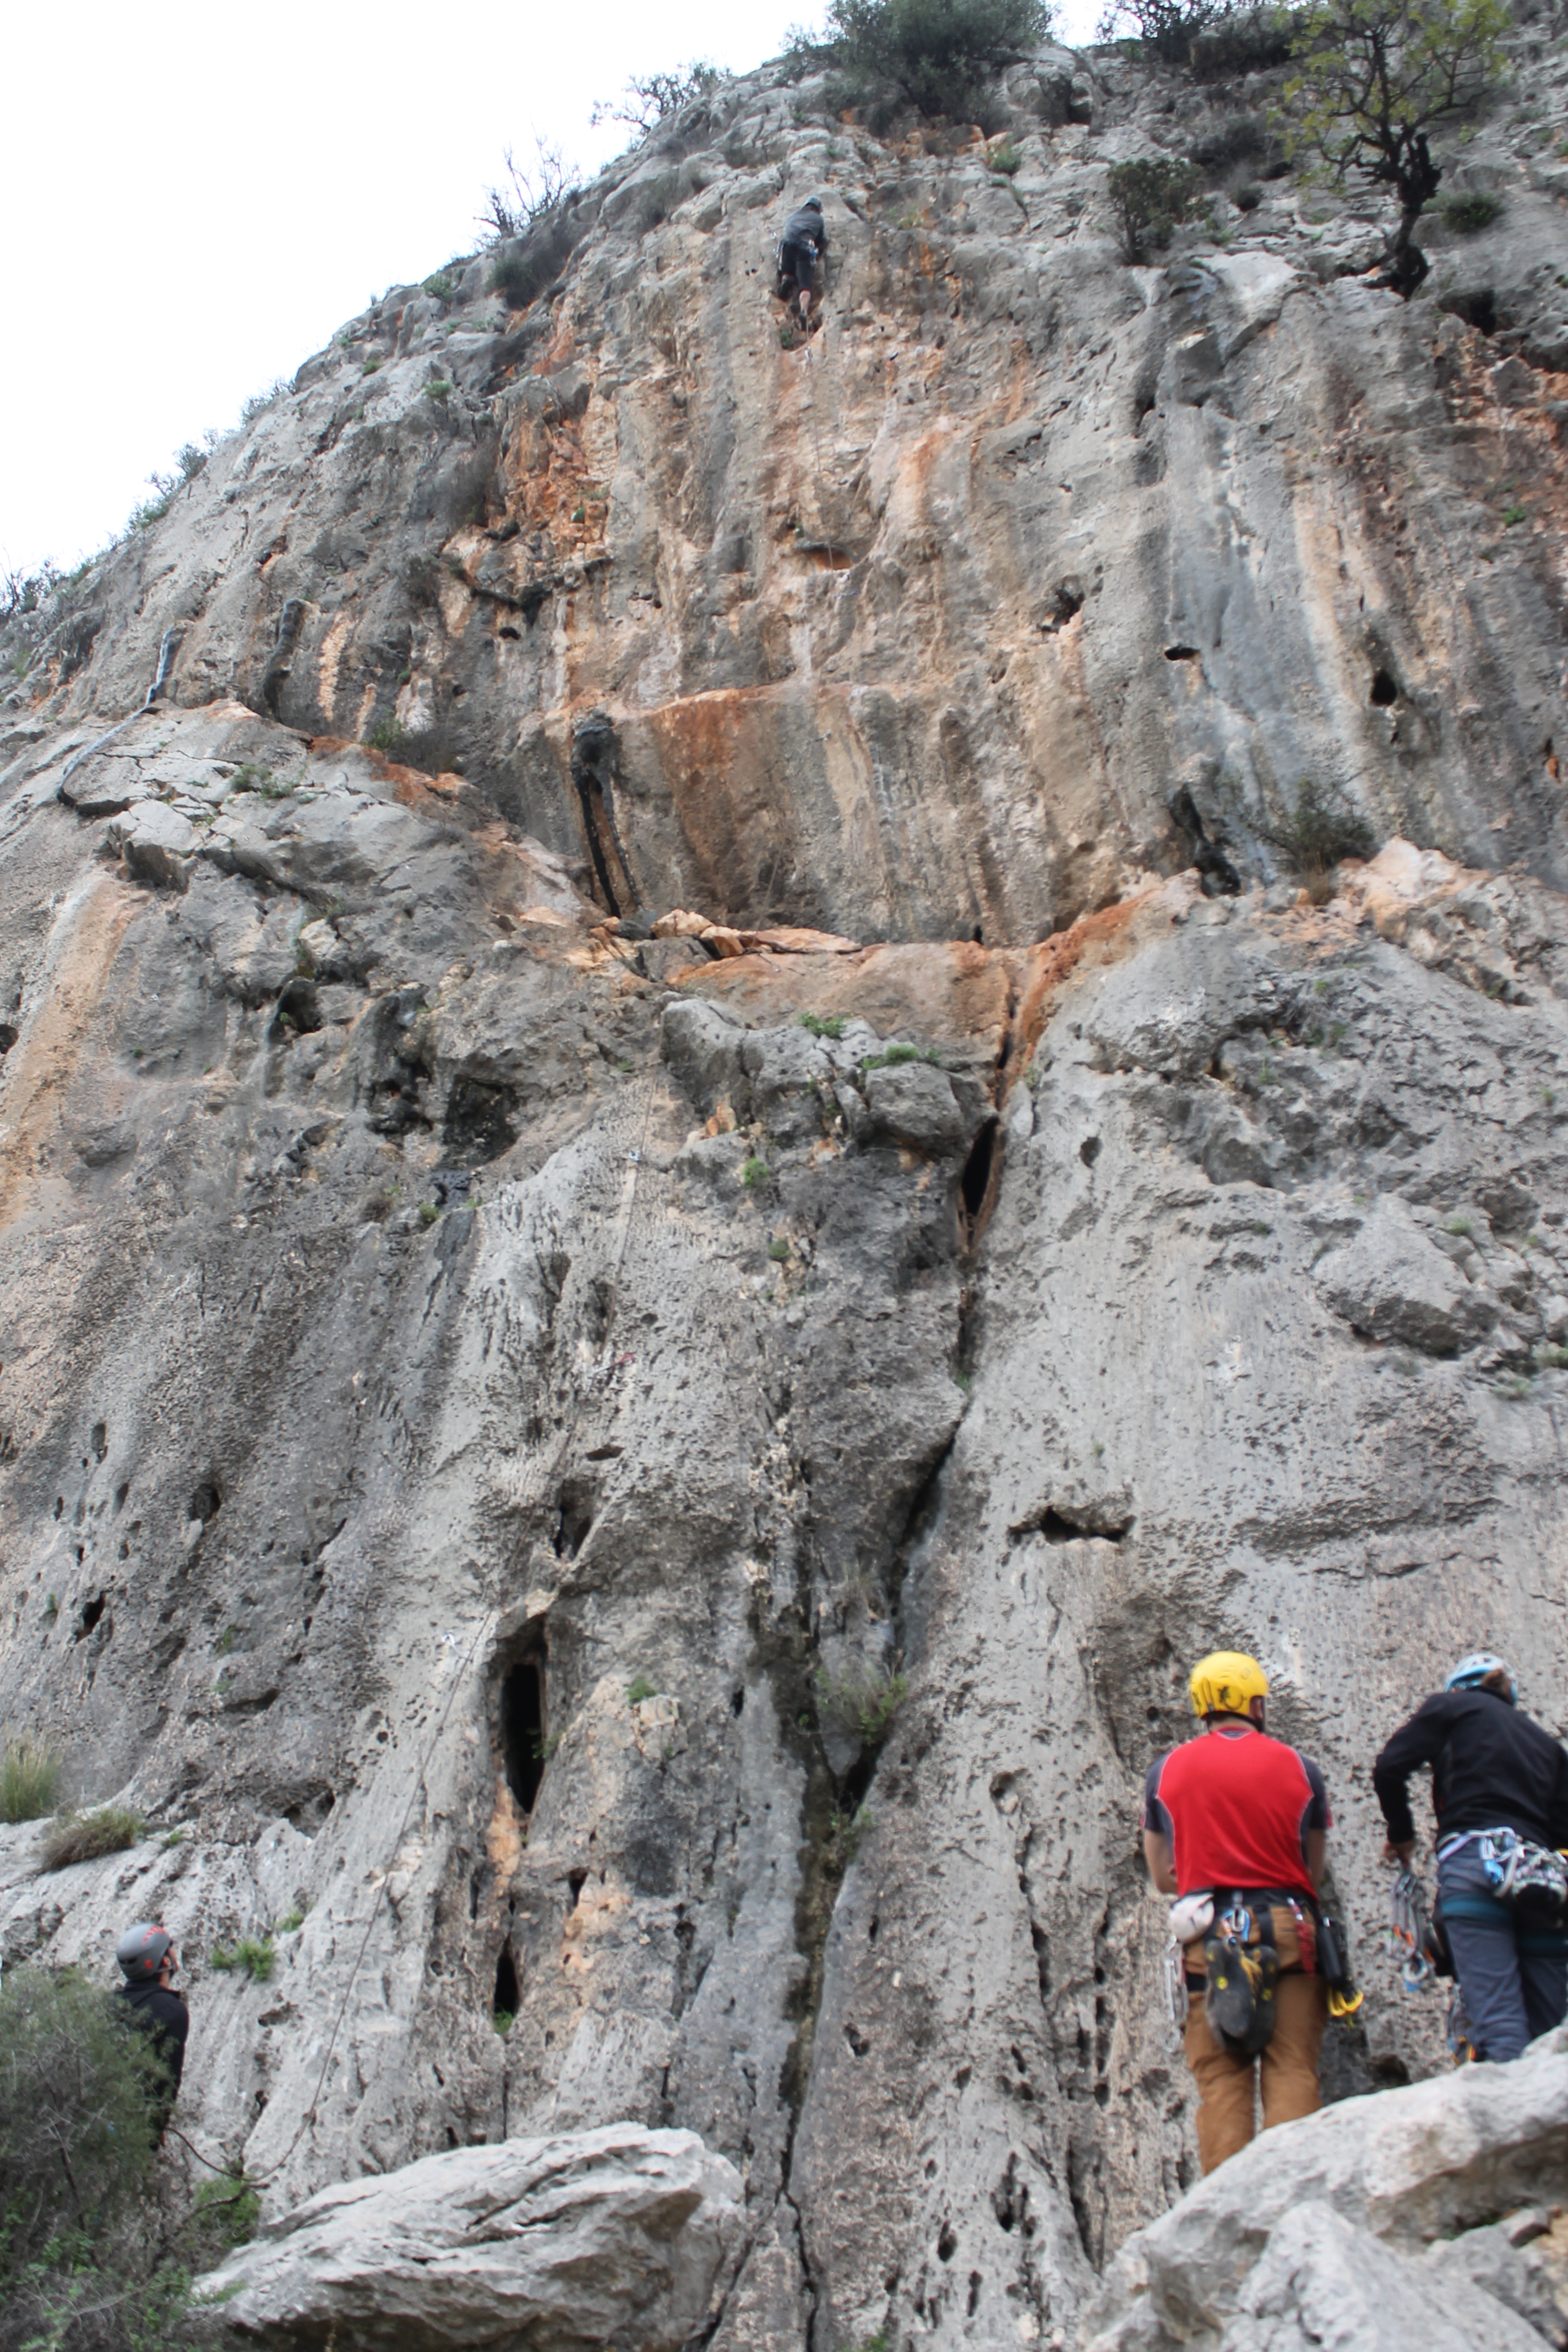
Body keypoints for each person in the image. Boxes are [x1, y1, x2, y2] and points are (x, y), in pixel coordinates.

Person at [1142, 1651, 1331, 2174]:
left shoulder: (1167, 1770)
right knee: (1292, 2071)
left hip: (1209, 1941)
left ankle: (1230, 2224)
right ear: (1253, 1703)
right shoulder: (1300, 1768)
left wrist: (1210, 1871)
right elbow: (1310, 1873)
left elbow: (1162, 1876)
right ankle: (1294, 2207)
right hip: (1289, 1930)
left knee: (1223, 2086)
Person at [1374, 1652, 1568, 2062]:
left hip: (1475, 1868)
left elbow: (1391, 1767)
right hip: (1540, 1881)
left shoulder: (1451, 1708)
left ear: (1458, 1689)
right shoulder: (1545, 1745)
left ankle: (1517, 2122)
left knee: (1499, 2028)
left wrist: (1402, 1835)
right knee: (1553, 2034)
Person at [115, 1921, 189, 2133]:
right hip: (135, 2129)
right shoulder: (172, 2011)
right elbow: (167, 2082)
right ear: (164, 1960)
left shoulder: (107, 2005)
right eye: (170, 1948)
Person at [777, 198, 829, 326]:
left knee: (786, 257)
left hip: (788, 245)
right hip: (805, 248)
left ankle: (786, 278)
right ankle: (804, 312)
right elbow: (819, 240)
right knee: (805, 285)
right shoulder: (818, 219)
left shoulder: (793, 216)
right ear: (817, 209)